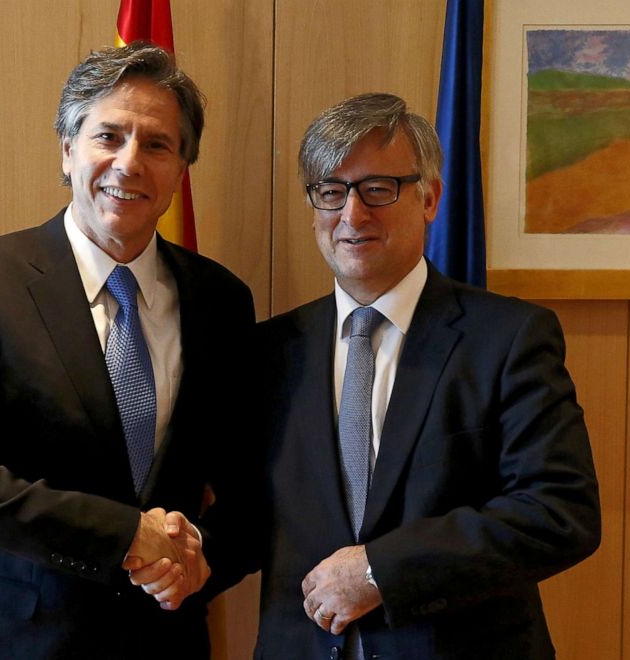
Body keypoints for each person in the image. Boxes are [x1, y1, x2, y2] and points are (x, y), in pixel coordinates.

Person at [0, 42, 255, 659]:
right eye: (108, 137)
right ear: (67, 151)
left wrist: (198, 561)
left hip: (160, 642)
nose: (129, 163)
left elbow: (250, 492)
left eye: (156, 145)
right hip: (7, 641)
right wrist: (127, 535)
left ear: (181, 169)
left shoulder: (220, 301)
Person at [254, 93, 601, 659]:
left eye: (378, 188)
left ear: (430, 198)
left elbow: (560, 513)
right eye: (331, 191)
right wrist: (170, 549)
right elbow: (253, 519)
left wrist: (380, 571)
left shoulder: (508, 338)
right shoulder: (270, 351)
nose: (352, 214)